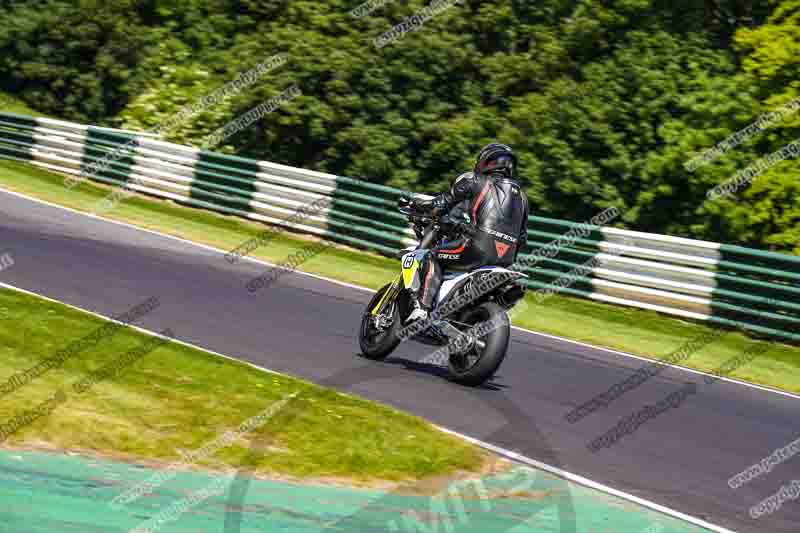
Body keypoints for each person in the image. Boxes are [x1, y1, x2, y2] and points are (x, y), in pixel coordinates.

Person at [406, 143, 529, 323]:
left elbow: (440, 204)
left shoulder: (474, 180)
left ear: (487, 161)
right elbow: (523, 238)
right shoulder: (523, 198)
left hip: (475, 248)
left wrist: (417, 205)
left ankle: (421, 310)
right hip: (505, 259)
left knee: (431, 256)